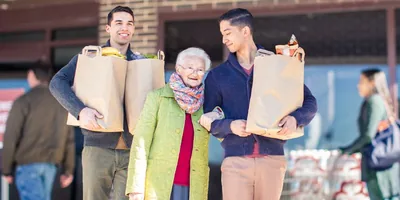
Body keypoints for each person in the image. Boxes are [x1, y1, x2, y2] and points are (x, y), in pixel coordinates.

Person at [203, 8, 318, 200]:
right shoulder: (217, 76)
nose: (224, 40)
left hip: (272, 160)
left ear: (245, 31)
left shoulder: (278, 65)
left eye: (227, 33)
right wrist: (230, 126)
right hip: (235, 162)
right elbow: (208, 119)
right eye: (222, 34)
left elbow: (310, 102)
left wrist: (295, 119)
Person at [49, 6, 144, 200]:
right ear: (108, 28)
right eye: (118, 23)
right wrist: (80, 111)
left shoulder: (141, 63)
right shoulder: (90, 57)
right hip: (97, 147)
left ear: (133, 29)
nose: (124, 28)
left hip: (131, 150)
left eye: (129, 23)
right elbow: (56, 83)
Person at [125, 47, 214, 200]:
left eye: (200, 69)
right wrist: (136, 187)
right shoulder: (157, 97)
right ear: (179, 69)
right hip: (158, 184)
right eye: (190, 67)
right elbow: (141, 143)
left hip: (194, 186)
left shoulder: (207, 104)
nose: (195, 73)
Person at [2, 64, 75, 200]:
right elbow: (69, 138)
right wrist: (68, 170)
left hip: (27, 164)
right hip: (51, 165)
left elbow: (11, 136)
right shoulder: (61, 102)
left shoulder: (24, 101)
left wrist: (6, 169)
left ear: (31, 75)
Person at [340, 69, 400, 200]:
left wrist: (348, 150)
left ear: (372, 83)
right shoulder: (376, 101)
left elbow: (368, 135)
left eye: (362, 81)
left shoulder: (375, 101)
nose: (358, 85)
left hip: (379, 163)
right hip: (381, 162)